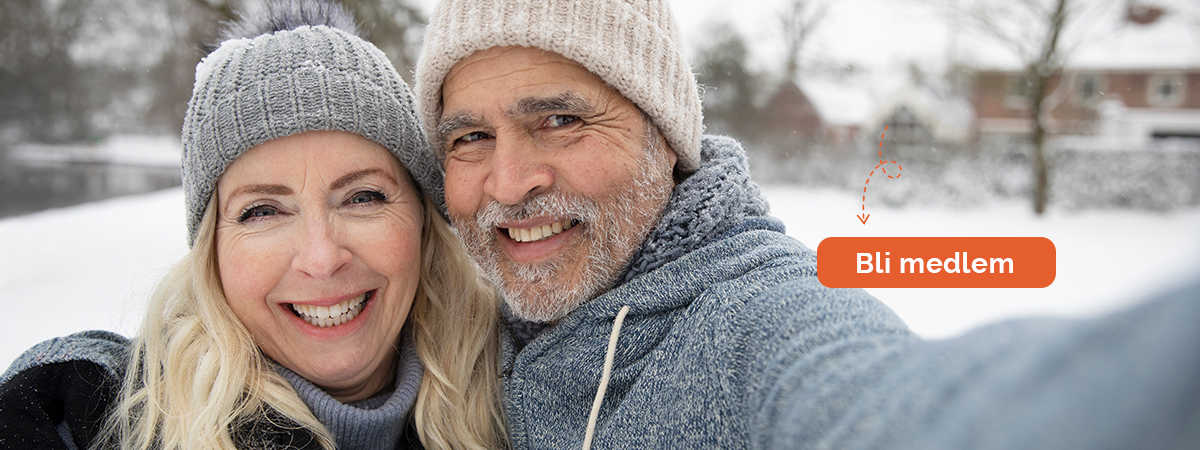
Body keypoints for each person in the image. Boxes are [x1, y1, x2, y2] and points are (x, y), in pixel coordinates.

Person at [413, 0, 1200, 448]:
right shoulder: (452, 332)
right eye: (469, 138)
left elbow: (895, 405)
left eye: (560, 119)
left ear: (665, 137)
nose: (509, 182)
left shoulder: (757, 321)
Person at [0, 2, 506, 449]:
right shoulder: (76, 411)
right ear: (211, 249)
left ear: (424, 222)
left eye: (363, 197)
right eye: (262, 211)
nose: (322, 257)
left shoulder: (516, 399)